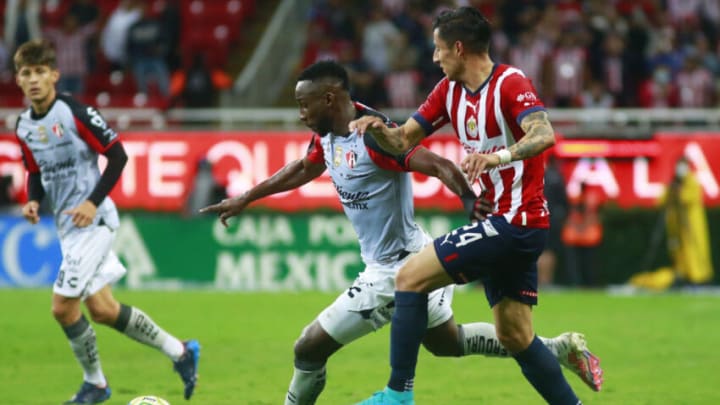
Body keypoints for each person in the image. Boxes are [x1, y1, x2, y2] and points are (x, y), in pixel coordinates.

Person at [200, 60, 602, 405]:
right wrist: (246, 198)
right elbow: (305, 167)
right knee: (446, 343)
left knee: (308, 346)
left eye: (304, 105)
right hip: (408, 257)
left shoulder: (375, 139)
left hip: (397, 271)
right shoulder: (328, 134)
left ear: (328, 99)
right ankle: (554, 349)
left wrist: (467, 198)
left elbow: (436, 163)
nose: (300, 113)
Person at [350, 7, 602, 404]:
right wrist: (375, 126)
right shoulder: (449, 92)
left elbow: (544, 133)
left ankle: (397, 396)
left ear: (459, 48)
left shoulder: (509, 82)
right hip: (506, 223)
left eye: (438, 49)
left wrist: (497, 157)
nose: (435, 58)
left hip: (516, 220)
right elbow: (402, 141)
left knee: (410, 277)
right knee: (515, 336)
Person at [13, 39, 200, 404]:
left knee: (62, 306)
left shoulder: (74, 112)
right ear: (17, 79)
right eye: (25, 73)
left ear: (54, 74)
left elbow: (117, 156)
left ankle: (95, 384)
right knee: (102, 309)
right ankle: (181, 351)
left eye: (39, 72)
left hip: (94, 221)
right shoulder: (23, 126)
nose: (33, 79)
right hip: (69, 228)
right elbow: (34, 170)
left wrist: (91, 202)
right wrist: (34, 200)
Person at [629, 156, 714, 290]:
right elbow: (661, 201)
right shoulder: (673, 183)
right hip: (676, 227)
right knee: (678, 253)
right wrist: (672, 191)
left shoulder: (692, 182)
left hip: (691, 226)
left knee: (694, 252)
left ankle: (699, 278)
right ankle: (682, 276)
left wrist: (679, 193)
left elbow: (688, 198)